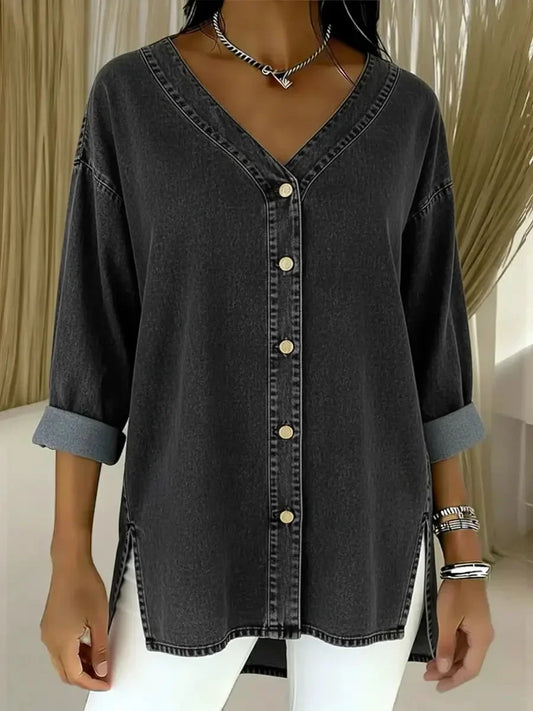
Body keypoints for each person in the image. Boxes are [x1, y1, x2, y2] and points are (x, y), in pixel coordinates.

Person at [33, 1, 495, 709]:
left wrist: (463, 563)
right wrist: (70, 559)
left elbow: (432, 354)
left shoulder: (406, 113)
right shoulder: (129, 99)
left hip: (366, 536)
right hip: (187, 527)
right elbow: (92, 337)